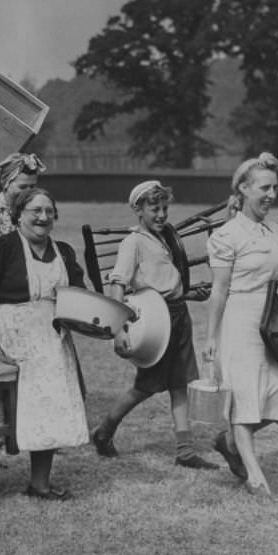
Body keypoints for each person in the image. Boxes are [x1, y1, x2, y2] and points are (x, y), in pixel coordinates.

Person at [0, 188, 88, 500]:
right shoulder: (4, 247)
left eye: (49, 211)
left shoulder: (64, 252)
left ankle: (39, 483)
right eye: (35, 211)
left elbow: (79, 295)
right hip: (7, 335)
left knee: (51, 393)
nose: (43, 217)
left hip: (50, 337)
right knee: (5, 405)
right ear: (18, 215)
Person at [90, 180, 218, 470]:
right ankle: (104, 431)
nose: (161, 214)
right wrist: (118, 328)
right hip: (157, 321)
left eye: (164, 208)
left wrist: (188, 293)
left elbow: (165, 281)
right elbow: (118, 283)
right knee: (146, 386)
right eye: (154, 209)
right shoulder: (133, 242)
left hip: (179, 315)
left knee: (180, 383)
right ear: (138, 210)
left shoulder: (164, 237)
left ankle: (185, 451)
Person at [204, 152, 278, 497]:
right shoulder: (226, 235)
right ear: (243, 188)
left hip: (272, 322)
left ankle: (229, 443)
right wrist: (211, 337)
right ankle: (255, 477)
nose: (271, 195)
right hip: (239, 322)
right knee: (244, 400)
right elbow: (219, 290)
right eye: (264, 188)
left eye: (275, 188)